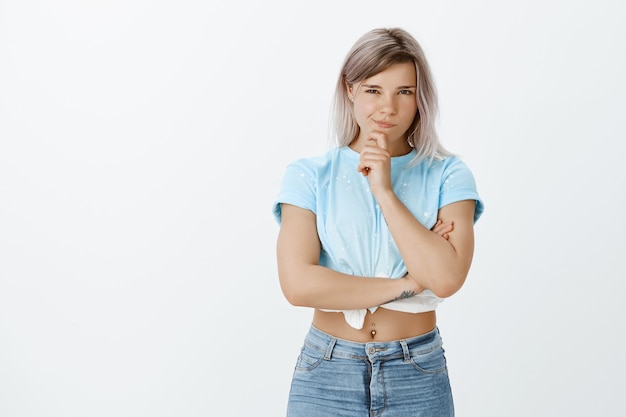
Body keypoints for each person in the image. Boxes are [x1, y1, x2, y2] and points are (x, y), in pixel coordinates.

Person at [272, 27, 484, 417]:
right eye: (373, 90)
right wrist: (407, 284)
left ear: (419, 99)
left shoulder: (448, 175)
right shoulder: (308, 175)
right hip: (326, 372)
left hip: (416, 372)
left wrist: (384, 191)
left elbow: (447, 278)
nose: (388, 107)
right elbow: (299, 285)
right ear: (349, 89)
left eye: (404, 92)